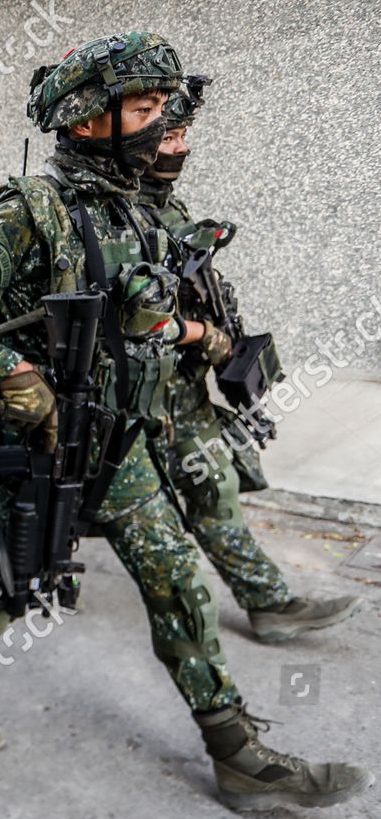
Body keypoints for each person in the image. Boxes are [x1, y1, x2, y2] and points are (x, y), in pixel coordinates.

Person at [0, 31, 371, 812]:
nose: (165, 124)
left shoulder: (142, 206)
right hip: (48, 441)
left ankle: (237, 752)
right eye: (148, 107)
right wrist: (17, 375)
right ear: (89, 120)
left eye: (165, 106)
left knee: (178, 581)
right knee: (10, 581)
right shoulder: (33, 213)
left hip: (127, 441)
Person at [139, 79, 363, 641]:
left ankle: (268, 604)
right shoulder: (114, 215)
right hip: (130, 397)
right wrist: (203, 335)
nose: (178, 147)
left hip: (178, 390)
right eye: (167, 135)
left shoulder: (166, 206)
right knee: (70, 513)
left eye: (184, 134)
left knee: (213, 485)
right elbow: (126, 322)